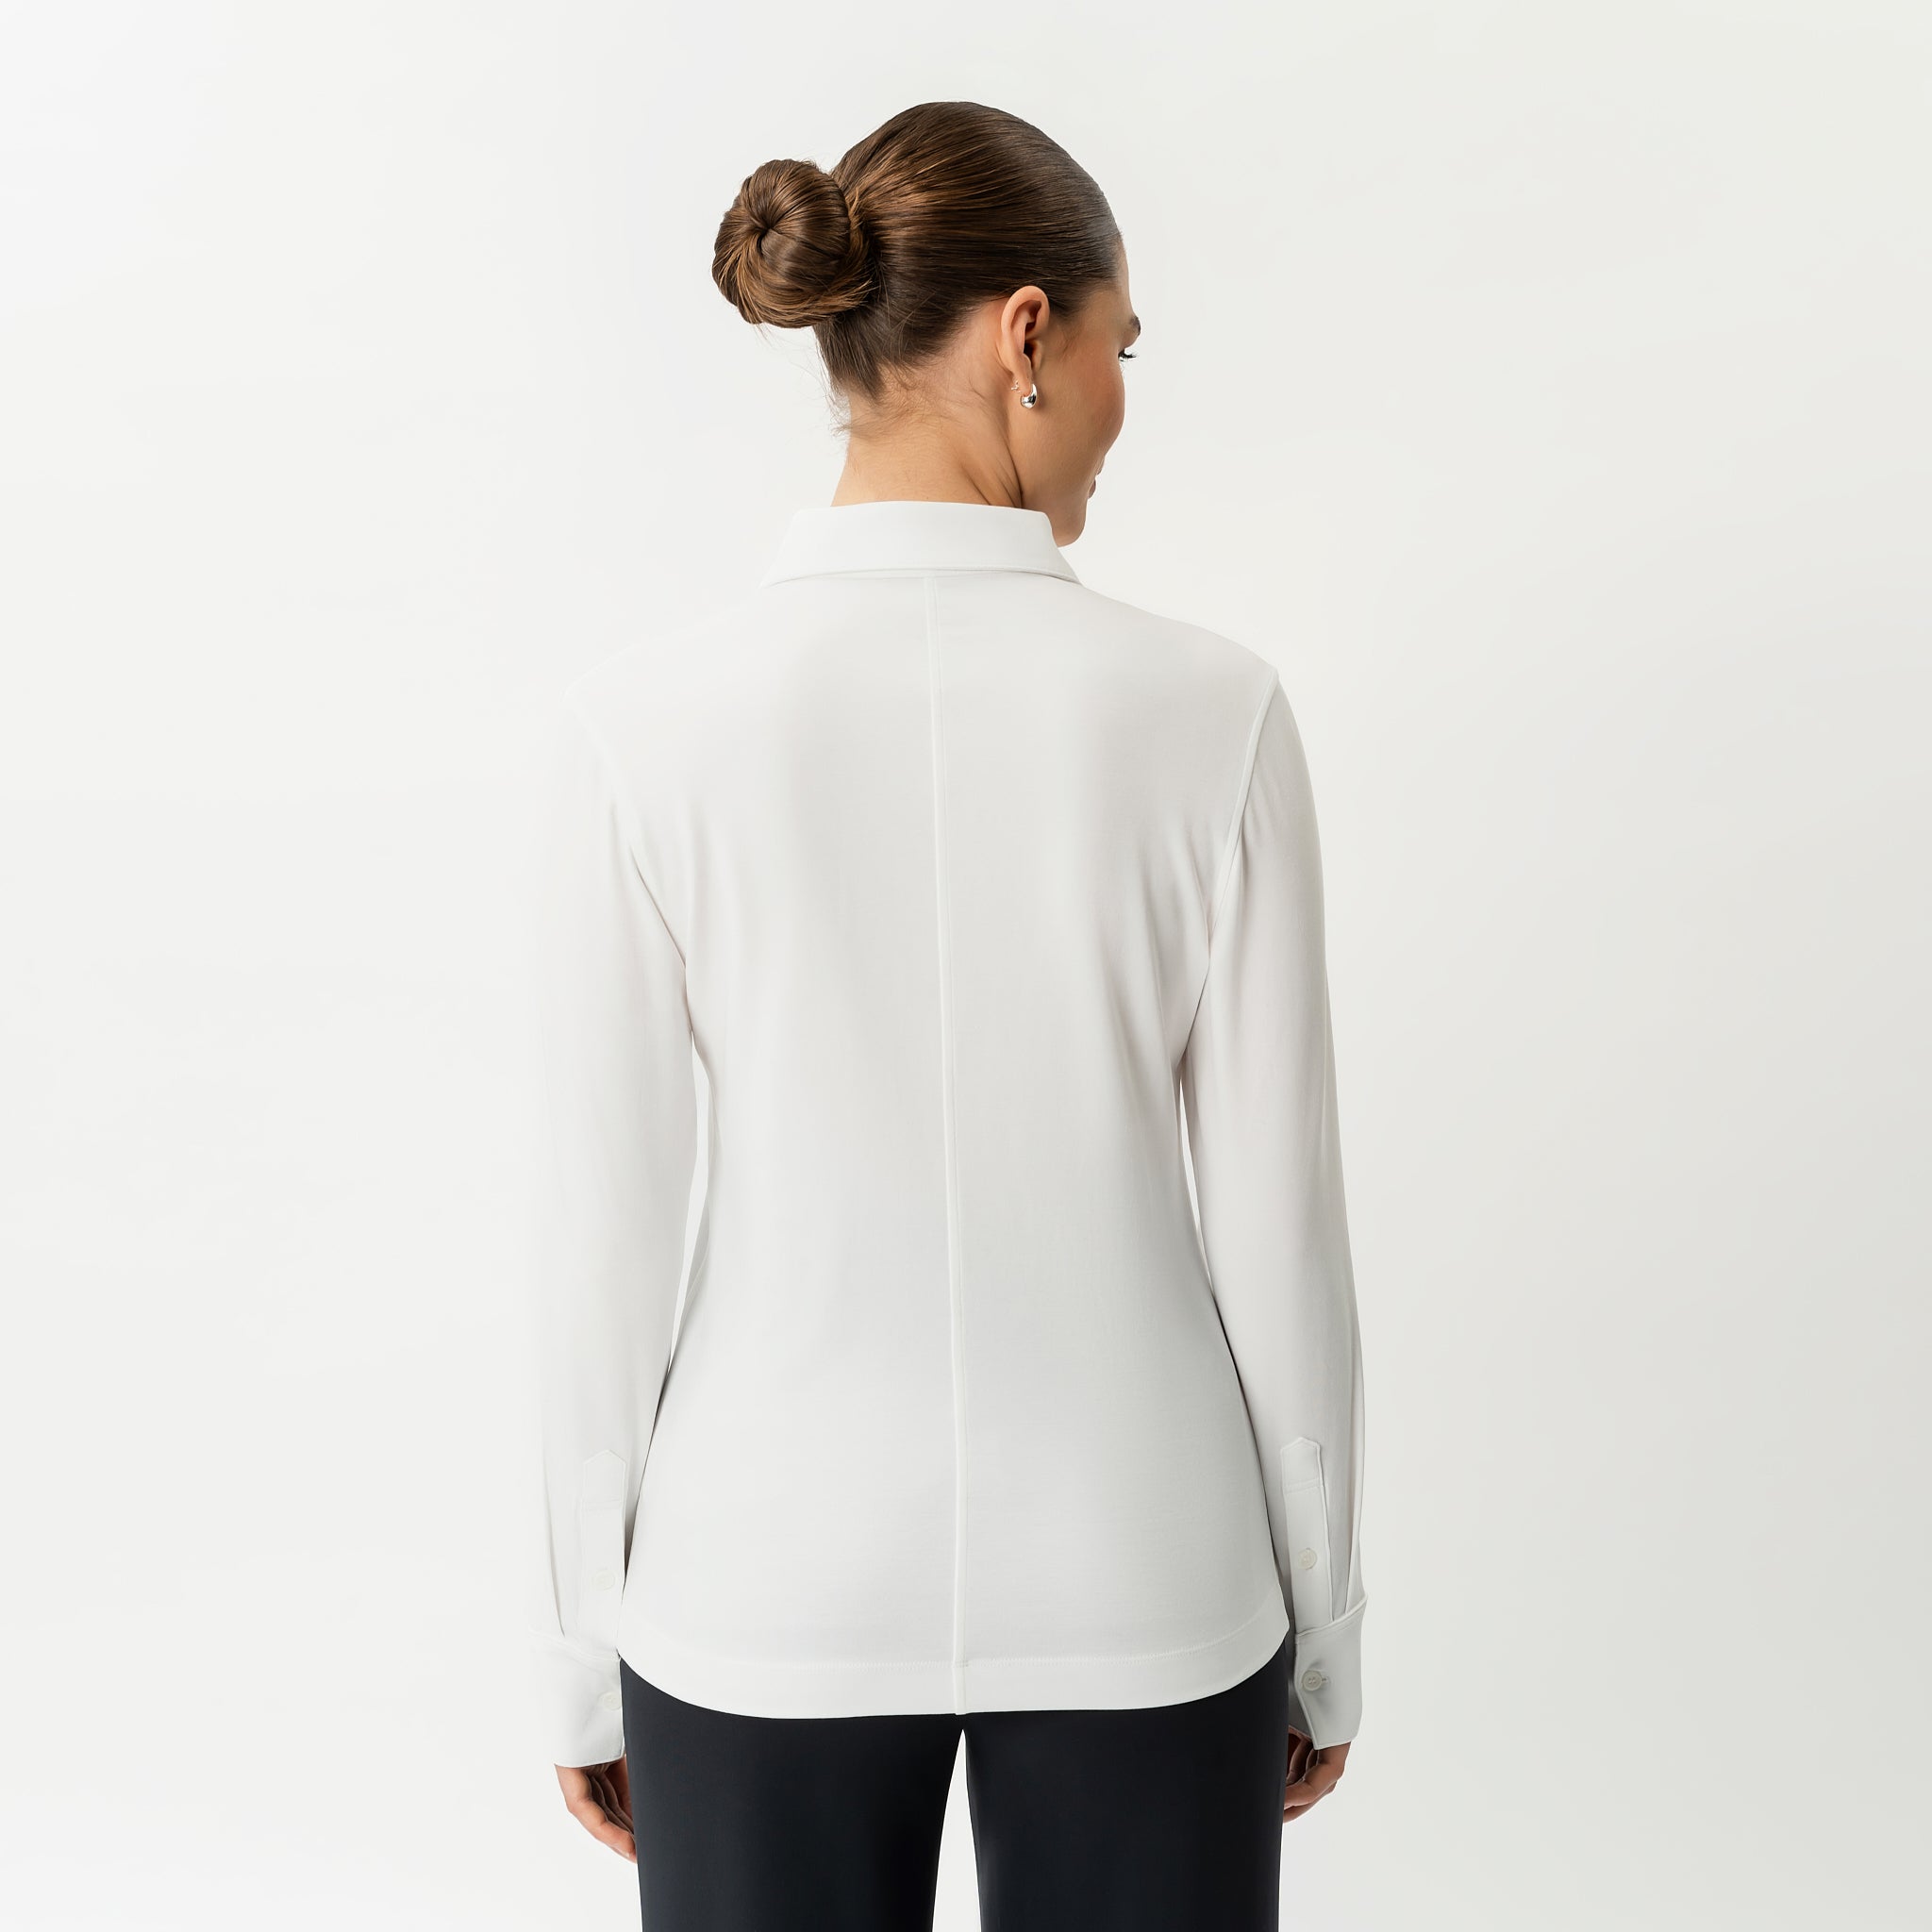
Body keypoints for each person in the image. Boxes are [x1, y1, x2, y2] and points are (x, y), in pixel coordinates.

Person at [522, 99, 1369, 1932]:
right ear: (1026, 335)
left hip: (762, 1582)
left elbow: (601, 1244)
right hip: (1147, 1571)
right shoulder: (1213, 715)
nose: (1124, 401)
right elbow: (1281, 1234)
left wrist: (584, 1653)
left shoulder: (644, 727)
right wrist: (1325, 1624)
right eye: (1124, 344)